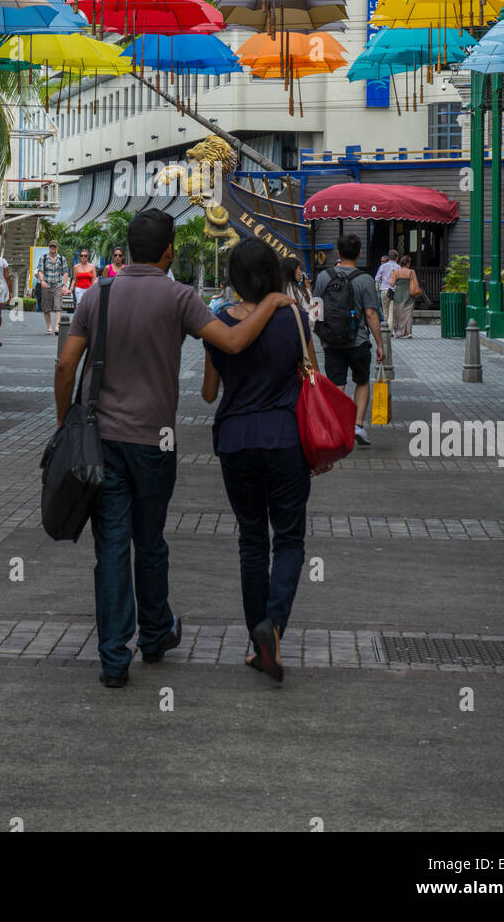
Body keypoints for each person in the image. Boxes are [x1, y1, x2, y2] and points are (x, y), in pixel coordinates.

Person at [55, 208, 294, 688]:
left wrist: (66, 426)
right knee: (152, 542)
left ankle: (113, 660)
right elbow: (230, 341)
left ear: (128, 245)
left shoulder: (98, 294)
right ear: (169, 251)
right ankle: (156, 633)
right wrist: (271, 303)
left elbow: (65, 367)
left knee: (112, 549)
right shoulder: (179, 296)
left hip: (101, 442)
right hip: (154, 443)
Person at [202, 239, 317, 682]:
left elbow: (210, 393)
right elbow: (312, 375)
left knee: (252, 541)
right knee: (288, 539)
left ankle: (258, 644)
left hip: (235, 441)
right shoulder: (293, 316)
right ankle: (275, 628)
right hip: (286, 439)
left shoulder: (218, 321)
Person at [311, 234, 384, 449]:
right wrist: (380, 344)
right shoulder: (365, 279)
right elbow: (371, 314)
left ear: (338, 252)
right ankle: (358, 425)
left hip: (332, 342)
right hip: (359, 342)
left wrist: (322, 336)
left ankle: (336, 425)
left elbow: (314, 309)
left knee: (336, 384)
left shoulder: (324, 276)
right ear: (359, 253)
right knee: (362, 381)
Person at [37, 240, 69, 336]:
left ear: (57, 248)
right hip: (47, 285)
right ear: (49, 247)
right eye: (51, 246)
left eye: (54, 246)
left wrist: (64, 285)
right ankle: (49, 327)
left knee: (58, 307)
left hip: (58, 285)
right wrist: (42, 280)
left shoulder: (62, 258)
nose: (52, 248)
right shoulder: (43, 258)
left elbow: (65, 272)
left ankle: (57, 327)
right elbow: (40, 270)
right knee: (46, 308)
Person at [390, 254, 421, 339]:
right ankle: (409, 333)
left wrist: (391, 277)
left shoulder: (396, 272)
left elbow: (392, 284)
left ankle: (398, 333)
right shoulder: (411, 272)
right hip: (409, 294)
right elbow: (416, 284)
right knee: (409, 313)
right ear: (407, 263)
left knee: (398, 313)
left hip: (398, 295)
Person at [375, 250, 399, 328]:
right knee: (392, 311)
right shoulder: (398, 267)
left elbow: (377, 279)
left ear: (389, 257)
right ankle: (390, 329)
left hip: (384, 289)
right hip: (394, 290)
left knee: (385, 311)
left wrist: (384, 281)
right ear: (397, 258)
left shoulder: (383, 266)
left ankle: (385, 328)